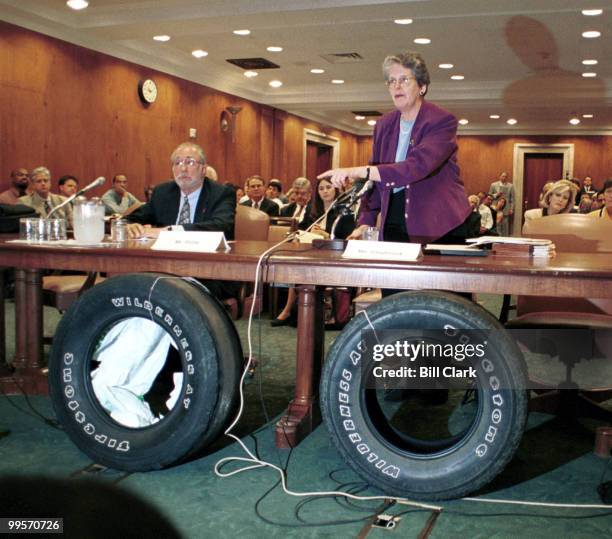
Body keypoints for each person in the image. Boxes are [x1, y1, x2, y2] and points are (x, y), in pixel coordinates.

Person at [318, 51, 470, 246]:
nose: (396, 86)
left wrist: (357, 171)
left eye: (404, 80)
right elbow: (375, 180)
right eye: (391, 81)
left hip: (439, 222)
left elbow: (416, 167)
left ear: (422, 86)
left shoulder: (441, 121)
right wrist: (366, 221)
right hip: (394, 217)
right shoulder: (384, 124)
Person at [271, 178, 356, 326]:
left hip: (334, 258)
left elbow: (347, 240)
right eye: (321, 188)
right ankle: (290, 309)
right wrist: (299, 235)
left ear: (336, 189)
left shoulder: (344, 211)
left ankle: (290, 310)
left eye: (328, 187)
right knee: (295, 264)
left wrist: (327, 236)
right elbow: (302, 230)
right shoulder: (313, 209)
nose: (325, 191)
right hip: (312, 254)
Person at [126, 142, 235, 239]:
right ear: (173, 169)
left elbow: (222, 227)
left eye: (190, 162)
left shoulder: (221, 193)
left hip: (207, 258)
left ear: (203, 170)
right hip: (165, 258)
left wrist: (169, 232)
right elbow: (127, 220)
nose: (183, 169)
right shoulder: (163, 193)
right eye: (178, 163)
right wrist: (129, 226)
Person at [489, 172, 515, 236]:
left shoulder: (510, 186)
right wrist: (496, 194)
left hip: (506, 209)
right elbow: (489, 196)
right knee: (497, 225)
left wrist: (511, 209)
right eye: (503, 176)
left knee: (505, 226)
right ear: (500, 176)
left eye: (505, 176)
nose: (504, 178)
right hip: (496, 208)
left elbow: (512, 199)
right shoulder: (493, 185)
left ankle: (505, 241)